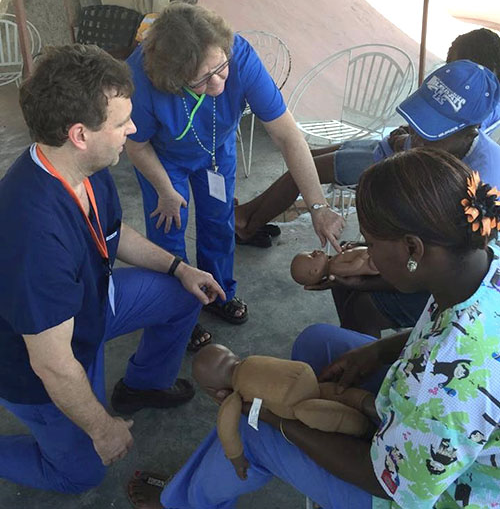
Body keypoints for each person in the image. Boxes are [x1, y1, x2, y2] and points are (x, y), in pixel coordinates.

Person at [127, 148, 500, 509]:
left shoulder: (459, 378)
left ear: (413, 249)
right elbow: (440, 329)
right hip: (423, 410)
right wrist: (375, 350)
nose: (364, 253)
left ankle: (181, 503)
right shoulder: (479, 257)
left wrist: (275, 420)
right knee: (317, 343)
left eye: (371, 244)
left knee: (251, 430)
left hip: (425, 493)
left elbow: (388, 483)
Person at [0, 44, 225, 494]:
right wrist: (102, 430)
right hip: (40, 364)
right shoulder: (33, 230)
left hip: (90, 308)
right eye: (122, 122)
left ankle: (145, 384)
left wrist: (178, 266)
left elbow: (113, 235)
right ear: (80, 133)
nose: (134, 128)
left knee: (185, 294)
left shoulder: (85, 164)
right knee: (82, 473)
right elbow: (54, 365)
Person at [125, 2, 344, 330]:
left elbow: (287, 135)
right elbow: (136, 144)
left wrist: (318, 206)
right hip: (162, 159)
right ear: (173, 79)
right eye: (202, 80)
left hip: (216, 149)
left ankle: (218, 292)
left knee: (219, 220)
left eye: (220, 68)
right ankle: (174, 312)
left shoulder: (238, 56)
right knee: (167, 227)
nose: (218, 85)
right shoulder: (142, 78)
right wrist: (165, 189)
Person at [234, 28, 500, 243]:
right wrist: (409, 132)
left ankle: (246, 221)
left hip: (392, 164)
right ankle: (248, 215)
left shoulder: (479, 156)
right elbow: (434, 135)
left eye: (453, 60)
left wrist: (407, 145)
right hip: (389, 149)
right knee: (305, 159)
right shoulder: (460, 97)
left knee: (304, 173)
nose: (448, 65)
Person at [319, 59, 500, 337]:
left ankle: (368, 363)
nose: (414, 138)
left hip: (453, 278)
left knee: (364, 306)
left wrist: (371, 274)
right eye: (416, 124)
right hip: (430, 260)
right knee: (344, 281)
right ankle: (359, 348)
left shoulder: (486, 179)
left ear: (471, 131)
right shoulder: (430, 146)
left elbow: (443, 264)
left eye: (429, 131)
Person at [192, 343, 374, 480]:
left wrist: (237, 460)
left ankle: (365, 428)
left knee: (321, 414)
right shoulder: (252, 360)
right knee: (334, 392)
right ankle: (368, 402)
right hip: (308, 378)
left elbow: (227, 432)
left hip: (299, 404)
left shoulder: (233, 397)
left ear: (219, 393)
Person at [135, 0, 199, 45]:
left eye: (187, 6)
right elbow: (137, 40)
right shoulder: (151, 19)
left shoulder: (186, 35)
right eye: (179, 1)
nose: (181, 7)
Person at [290, 247, 378, 286]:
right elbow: (352, 267)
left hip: (370, 256)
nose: (315, 251)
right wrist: (361, 258)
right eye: (313, 255)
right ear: (315, 271)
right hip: (372, 263)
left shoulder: (332, 262)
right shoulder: (334, 268)